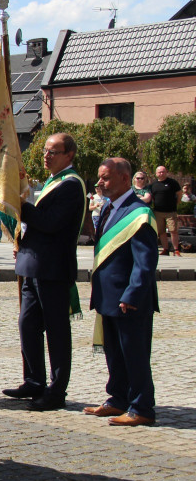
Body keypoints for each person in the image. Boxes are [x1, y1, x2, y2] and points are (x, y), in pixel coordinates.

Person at [2, 132, 87, 411]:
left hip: (53, 268)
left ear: (69, 155)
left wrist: (21, 206)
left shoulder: (71, 185)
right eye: (46, 151)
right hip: (34, 264)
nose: (47, 156)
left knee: (57, 332)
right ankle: (34, 380)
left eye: (54, 151)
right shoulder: (53, 182)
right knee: (28, 324)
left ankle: (56, 389)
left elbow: (51, 223)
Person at [84, 157, 159, 426]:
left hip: (130, 299)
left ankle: (142, 408)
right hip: (108, 296)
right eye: (99, 177)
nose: (100, 183)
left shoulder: (139, 212)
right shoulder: (108, 209)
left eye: (105, 177)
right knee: (114, 353)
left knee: (135, 354)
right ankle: (117, 399)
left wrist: (133, 294)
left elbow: (146, 262)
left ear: (125, 179)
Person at [149, 165, 182, 256]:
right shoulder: (153, 185)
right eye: (159, 172)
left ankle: (176, 250)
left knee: (173, 230)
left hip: (171, 211)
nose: (161, 173)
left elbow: (179, 194)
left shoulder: (173, 183)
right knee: (161, 232)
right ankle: (165, 249)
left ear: (166, 172)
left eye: (163, 171)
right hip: (158, 211)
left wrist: (176, 204)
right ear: (156, 174)